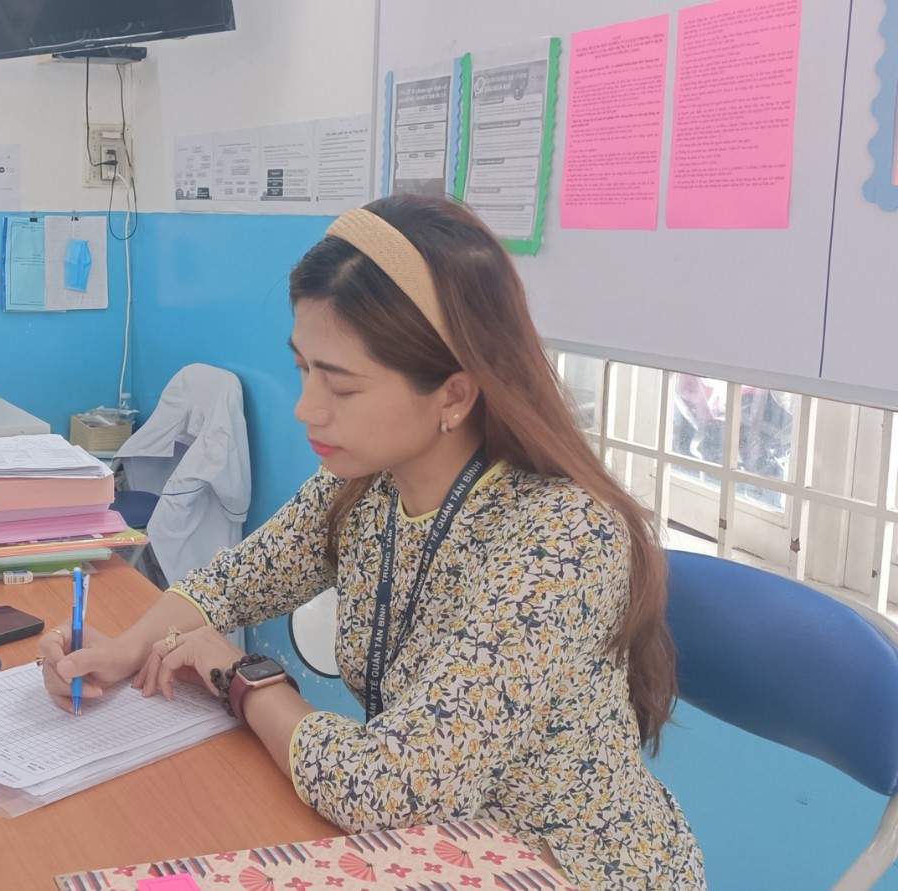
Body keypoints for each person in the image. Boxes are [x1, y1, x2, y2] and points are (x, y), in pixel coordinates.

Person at [40, 194, 706, 889]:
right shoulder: (367, 484)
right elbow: (233, 582)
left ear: (454, 395)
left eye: (343, 387)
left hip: (563, 867)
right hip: (436, 851)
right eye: (303, 369)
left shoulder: (560, 538)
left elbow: (394, 788)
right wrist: (125, 649)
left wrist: (242, 675)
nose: (306, 408)